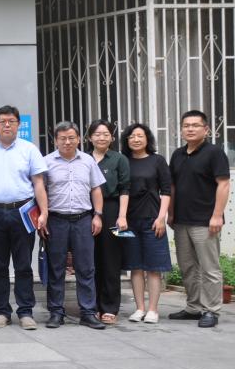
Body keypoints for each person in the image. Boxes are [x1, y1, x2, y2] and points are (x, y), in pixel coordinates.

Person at [0, 106, 48, 330]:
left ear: (18, 124)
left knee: (23, 264)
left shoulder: (29, 149)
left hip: (24, 212)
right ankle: (2, 311)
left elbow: (38, 183)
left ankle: (25, 311)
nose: (7, 125)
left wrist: (44, 212)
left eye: (11, 121)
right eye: (2, 121)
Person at [168, 109, 230, 328]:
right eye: (186, 125)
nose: (190, 129)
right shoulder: (177, 154)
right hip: (181, 220)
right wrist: (171, 213)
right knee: (187, 267)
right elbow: (172, 186)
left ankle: (211, 310)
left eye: (195, 125)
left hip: (206, 221)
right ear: (181, 130)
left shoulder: (214, 153)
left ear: (206, 129)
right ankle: (193, 307)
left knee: (209, 268)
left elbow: (223, 184)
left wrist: (217, 215)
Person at [43, 121, 106, 329]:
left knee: (86, 268)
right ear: (55, 141)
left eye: (71, 138)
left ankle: (88, 312)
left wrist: (97, 215)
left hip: (83, 219)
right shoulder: (46, 162)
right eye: (62, 138)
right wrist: (42, 218)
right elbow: (40, 191)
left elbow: (96, 189)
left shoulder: (88, 161)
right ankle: (56, 312)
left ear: (79, 139)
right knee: (56, 268)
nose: (67, 142)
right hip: (56, 220)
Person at [120, 123, 172, 324]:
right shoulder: (123, 161)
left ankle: (153, 310)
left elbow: (166, 191)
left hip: (153, 220)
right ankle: (140, 308)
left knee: (153, 267)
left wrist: (161, 217)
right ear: (127, 140)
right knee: (135, 267)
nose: (136, 139)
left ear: (147, 139)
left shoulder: (157, 160)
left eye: (140, 136)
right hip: (129, 221)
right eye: (132, 136)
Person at [86, 119, 130, 324]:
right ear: (89, 137)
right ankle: (92, 306)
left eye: (106, 134)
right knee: (90, 260)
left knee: (112, 260)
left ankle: (110, 307)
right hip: (86, 211)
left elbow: (125, 189)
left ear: (112, 137)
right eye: (97, 134)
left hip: (113, 211)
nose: (101, 137)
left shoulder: (119, 159)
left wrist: (122, 216)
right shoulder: (83, 158)